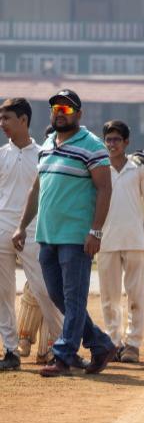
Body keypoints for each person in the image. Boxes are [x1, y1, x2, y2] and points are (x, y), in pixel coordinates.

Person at [12, 89, 117, 377]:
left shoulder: (92, 145)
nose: (60, 112)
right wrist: (22, 226)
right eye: (56, 108)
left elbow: (105, 188)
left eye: (67, 109)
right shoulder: (47, 144)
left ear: (79, 115)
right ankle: (100, 343)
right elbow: (37, 189)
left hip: (77, 235)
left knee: (74, 297)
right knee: (58, 295)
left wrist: (95, 231)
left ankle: (64, 354)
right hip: (47, 234)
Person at [0, 98, 63, 371]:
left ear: (23, 120)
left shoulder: (43, 154)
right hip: (1, 228)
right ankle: (11, 351)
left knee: (44, 290)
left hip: (33, 230)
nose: (2, 124)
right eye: (1, 119)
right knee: (3, 293)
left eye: (7, 118)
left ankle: (63, 347)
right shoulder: (1, 154)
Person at [98, 121, 144, 363]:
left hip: (134, 240)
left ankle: (133, 344)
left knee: (135, 295)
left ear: (126, 143)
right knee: (109, 296)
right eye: (109, 139)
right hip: (106, 240)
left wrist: (143, 237)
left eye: (117, 140)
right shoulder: (100, 168)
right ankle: (113, 341)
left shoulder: (138, 169)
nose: (112, 144)